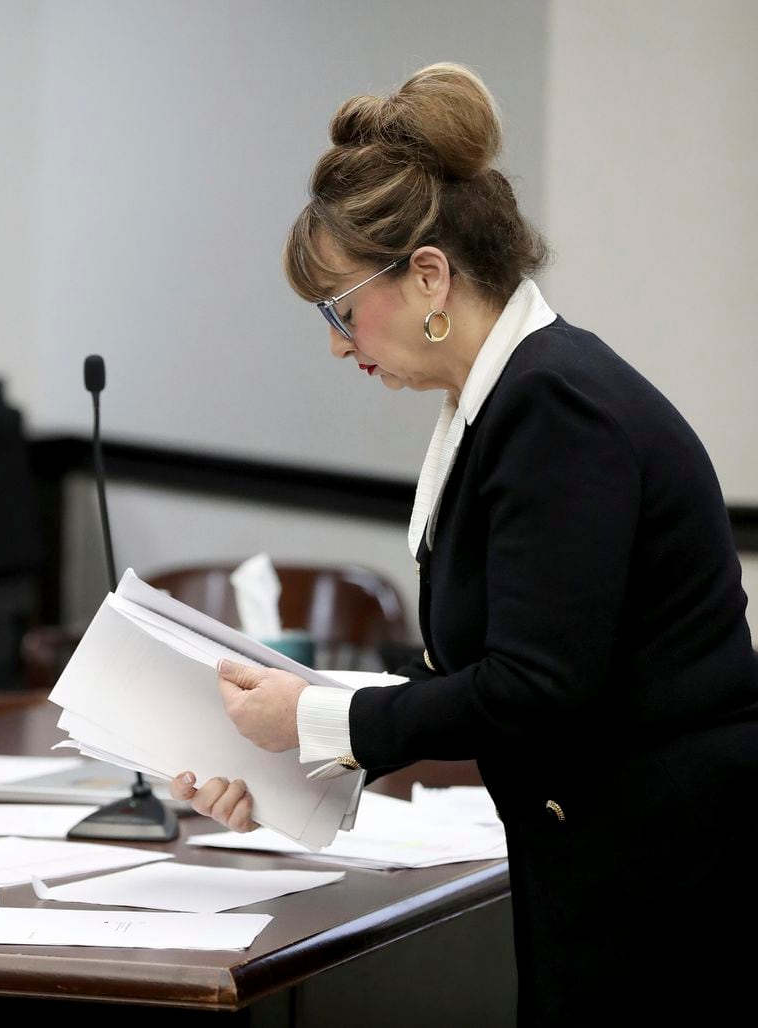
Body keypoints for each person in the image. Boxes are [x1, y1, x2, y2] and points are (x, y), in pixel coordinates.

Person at [171, 63, 758, 1026]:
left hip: (667, 873)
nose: (337, 344)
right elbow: (474, 668)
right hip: (612, 856)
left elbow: (536, 686)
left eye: (339, 308)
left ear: (430, 275)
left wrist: (319, 723)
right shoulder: (497, 399)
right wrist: (288, 755)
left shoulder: (552, 404)